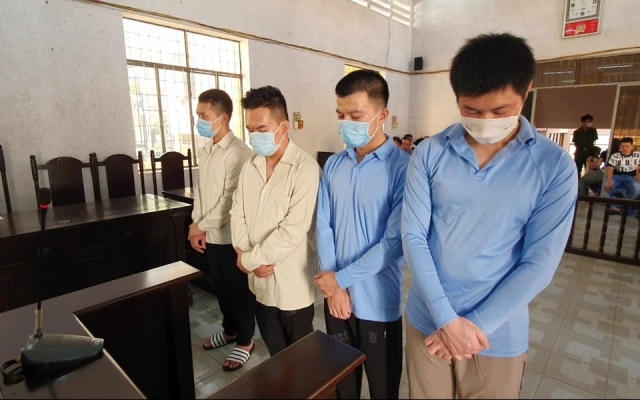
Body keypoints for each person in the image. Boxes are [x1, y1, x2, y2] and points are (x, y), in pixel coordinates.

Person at [402, 33, 577, 399]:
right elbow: (414, 236)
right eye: (471, 110)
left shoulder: (554, 166)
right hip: (428, 317)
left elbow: (538, 263)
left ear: (526, 92)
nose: (485, 121)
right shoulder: (430, 153)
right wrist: (445, 319)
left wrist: (473, 326)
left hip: (496, 331)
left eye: (500, 111)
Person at [315, 69, 408, 399]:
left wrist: (340, 280)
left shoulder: (403, 169)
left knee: (383, 388)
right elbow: (323, 226)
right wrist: (334, 286)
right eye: (340, 115)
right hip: (336, 300)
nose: (345, 123)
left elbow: (393, 243)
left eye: (355, 116)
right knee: (343, 385)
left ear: (382, 115)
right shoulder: (334, 165)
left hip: (377, 303)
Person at [230, 85, 320, 357]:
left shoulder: (305, 168)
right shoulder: (250, 166)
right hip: (258, 282)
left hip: (291, 285)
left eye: (262, 129)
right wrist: (245, 256)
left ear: (284, 127)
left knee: (300, 358)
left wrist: (248, 260)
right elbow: (237, 214)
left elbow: (292, 231)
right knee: (276, 354)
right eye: (250, 130)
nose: (255, 137)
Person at [189, 89, 254, 372]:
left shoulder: (239, 153)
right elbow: (201, 192)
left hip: (232, 238)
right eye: (198, 115)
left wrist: (200, 226)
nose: (199, 121)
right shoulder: (206, 150)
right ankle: (229, 330)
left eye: (203, 116)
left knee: (239, 290)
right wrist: (197, 225)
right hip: (210, 235)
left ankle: (246, 340)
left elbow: (230, 200)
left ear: (223, 118)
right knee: (221, 289)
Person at [605, 137, 640, 213]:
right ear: (620, 147)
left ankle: (619, 206)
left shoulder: (637, 155)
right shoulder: (615, 156)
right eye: (622, 146)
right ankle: (616, 206)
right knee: (609, 187)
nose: (624, 148)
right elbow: (610, 169)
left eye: (627, 146)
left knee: (637, 190)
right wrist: (609, 180)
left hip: (631, 177)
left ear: (632, 147)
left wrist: (639, 175)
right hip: (617, 176)